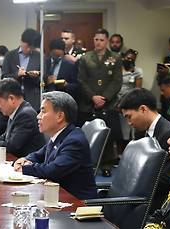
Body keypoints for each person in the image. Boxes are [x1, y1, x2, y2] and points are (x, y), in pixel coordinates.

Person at [13, 91, 97, 199]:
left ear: (59, 116)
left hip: (76, 205)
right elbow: (38, 155)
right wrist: (25, 159)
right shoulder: (59, 135)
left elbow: (52, 170)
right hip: (56, 197)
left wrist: (25, 168)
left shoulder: (74, 141)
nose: (38, 116)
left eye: (43, 111)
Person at [118, 88, 170, 212]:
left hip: (158, 203)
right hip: (141, 195)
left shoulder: (169, 134)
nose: (129, 123)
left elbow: (167, 178)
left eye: (129, 117)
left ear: (143, 109)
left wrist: (133, 183)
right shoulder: (142, 133)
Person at [77, 28, 122, 177]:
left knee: (108, 135)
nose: (98, 42)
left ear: (107, 41)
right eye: (96, 39)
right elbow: (81, 80)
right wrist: (93, 97)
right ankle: (87, 164)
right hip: (89, 103)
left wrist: (104, 98)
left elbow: (117, 81)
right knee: (87, 135)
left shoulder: (115, 58)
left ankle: (106, 164)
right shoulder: (86, 58)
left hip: (108, 104)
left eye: (102, 40)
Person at [2, 28, 42, 111]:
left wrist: (36, 75)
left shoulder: (39, 57)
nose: (29, 50)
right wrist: (18, 74)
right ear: (21, 41)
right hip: (13, 97)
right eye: (27, 47)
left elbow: (43, 80)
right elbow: (4, 77)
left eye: (31, 48)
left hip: (33, 99)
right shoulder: (10, 55)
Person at [117, 49, 143, 144]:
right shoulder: (118, 69)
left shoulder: (137, 71)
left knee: (128, 127)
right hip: (116, 100)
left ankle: (128, 143)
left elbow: (138, 89)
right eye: (128, 58)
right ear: (124, 57)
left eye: (132, 59)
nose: (129, 60)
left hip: (129, 101)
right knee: (118, 126)